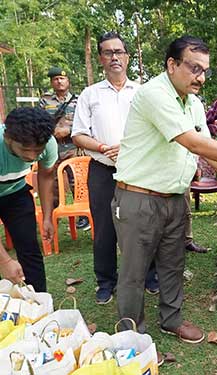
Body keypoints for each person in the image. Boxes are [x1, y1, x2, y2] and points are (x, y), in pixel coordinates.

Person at [112, 36, 217, 342]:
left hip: (174, 198)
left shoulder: (192, 102)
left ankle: (171, 319)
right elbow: (191, 141)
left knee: (173, 263)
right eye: (194, 68)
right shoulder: (155, 94)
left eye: (205, 70)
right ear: (172, 64)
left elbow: (209, 150)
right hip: (138, 197)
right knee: (133, 271)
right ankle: (131, 335)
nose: (201, 77)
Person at [72, 31, 158, 305]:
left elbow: (155, 131)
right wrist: (102, 147)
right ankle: (106, 282)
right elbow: (78, 134)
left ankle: (149, 277)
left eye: (118, 52)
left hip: (140, 170)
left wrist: (128, 148)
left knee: (144, 226)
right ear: (101, 59)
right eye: (108, 53)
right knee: (105, 229)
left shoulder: (143, 92)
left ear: (127, 57)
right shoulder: (90, 94)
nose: (114, 57)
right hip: (102, 170)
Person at [0, 107, 58, 292]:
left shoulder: (48, 143)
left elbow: (46, 176)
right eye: (26, 149)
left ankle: (40, 306)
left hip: (16, 194)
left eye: (37, 150)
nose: (32, 156)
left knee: (29, 249)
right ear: (8, 138)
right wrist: (5, 260)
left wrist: (48, 216)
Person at [39, 67, 89, 230]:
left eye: (62, 79)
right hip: (52, 147)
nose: (59, 81)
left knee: (77, 181)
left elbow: (85, 120)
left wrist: (69, 130)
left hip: (73, 147)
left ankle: (83, 216)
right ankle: (52, 217)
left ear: (68, 81)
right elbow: (40, 121)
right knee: (51, 182)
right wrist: (53, 132)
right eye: (55, 79)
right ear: (52, 82)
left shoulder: (78, 99)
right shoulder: (45, 100)